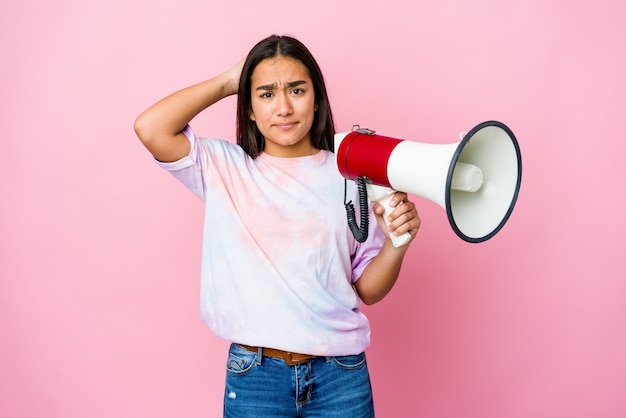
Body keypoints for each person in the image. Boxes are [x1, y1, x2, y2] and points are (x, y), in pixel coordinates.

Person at [134, 34, 421, 418]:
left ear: (316, 98)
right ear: (248, 108)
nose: (283, 107)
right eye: (266, 94)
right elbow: (150, 128)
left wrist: (395, 245)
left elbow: (366, 289)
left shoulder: (353, 177)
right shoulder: (225, 168)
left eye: (297, 90)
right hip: (256, 375)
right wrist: (230, 81)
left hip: (340, 375)